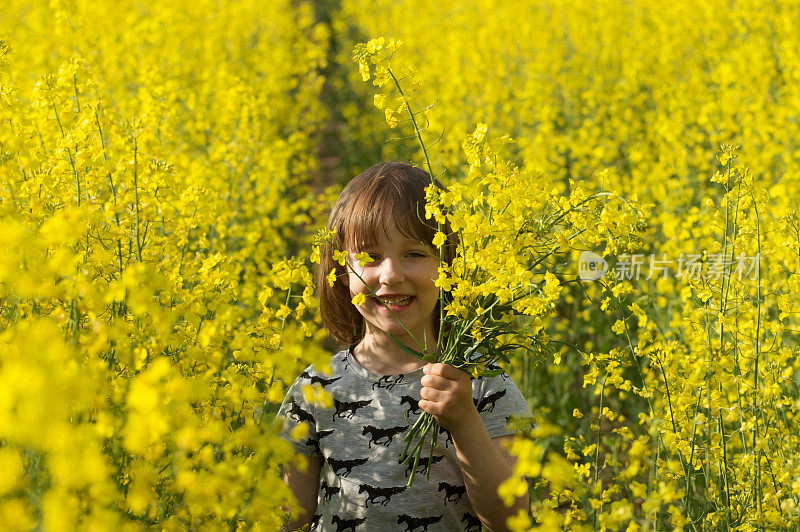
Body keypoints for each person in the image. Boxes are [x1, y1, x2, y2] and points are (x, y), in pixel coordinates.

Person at [277, 161, 533, 531]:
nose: (391, 274)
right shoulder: (315, 388)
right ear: (340, 271)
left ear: (449, 267)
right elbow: (286, 519)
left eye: (414, 254)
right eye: (370, 257)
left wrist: (464, 422)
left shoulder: (482, 383)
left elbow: (512, 522)